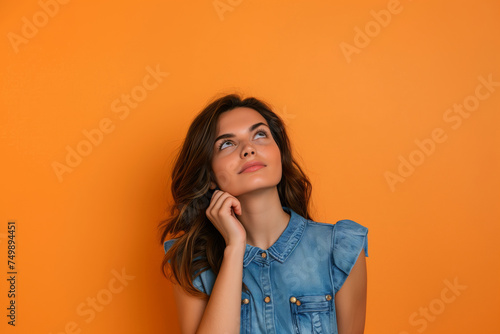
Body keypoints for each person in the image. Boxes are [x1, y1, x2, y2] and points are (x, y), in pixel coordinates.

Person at [159, 93, 369, 334]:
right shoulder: (191, 263)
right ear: (209, 177)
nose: (248, 149)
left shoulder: (340, 248)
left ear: (279, 152)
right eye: (227, 143)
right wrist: (235, 247)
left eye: (260, 135)